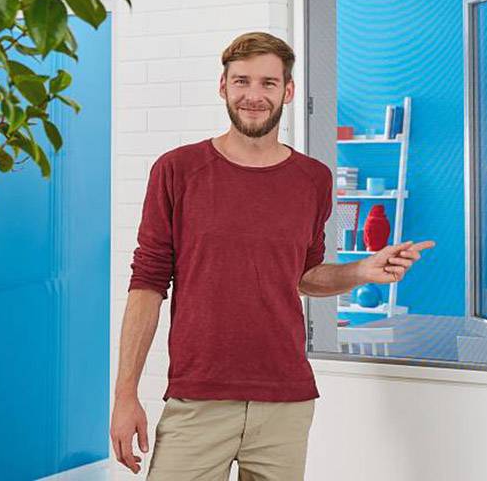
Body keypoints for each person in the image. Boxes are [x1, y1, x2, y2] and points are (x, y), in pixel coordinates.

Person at [109, 32, 434, 479]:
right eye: (242, 81)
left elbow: (304, 275)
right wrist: (125, 394)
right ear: (223, 86)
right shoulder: (178, 170)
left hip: (286, 402)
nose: (254, 96)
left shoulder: (313, 179)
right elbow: (147, 283)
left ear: (288, 91)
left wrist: (362, 270)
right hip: (198, 397)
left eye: (267, 83)